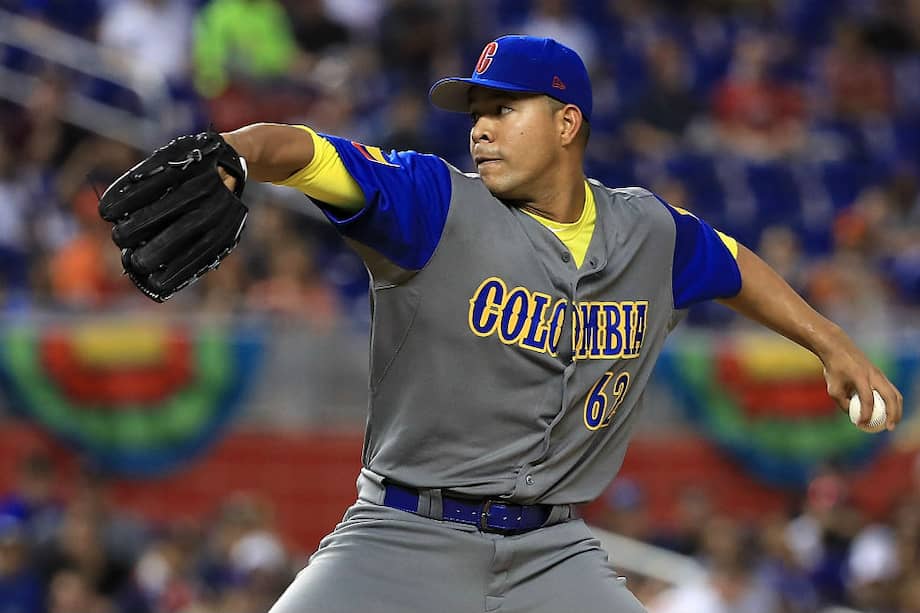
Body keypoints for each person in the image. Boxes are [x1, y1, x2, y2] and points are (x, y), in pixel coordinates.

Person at [142, 35, 905, 612]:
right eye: (475, 112)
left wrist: (832, 345)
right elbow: (306, 153)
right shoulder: (431, 204)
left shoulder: (647, 233)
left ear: (567, 121)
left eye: (503, 108)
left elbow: (735, 263)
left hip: (554, 549)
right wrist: (237, 156)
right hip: (402, 531)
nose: (480, 129)